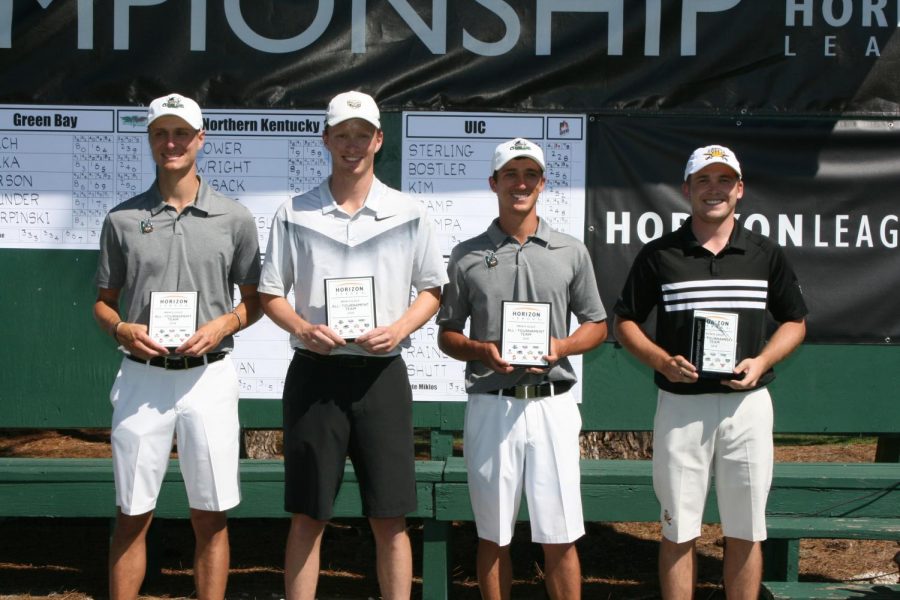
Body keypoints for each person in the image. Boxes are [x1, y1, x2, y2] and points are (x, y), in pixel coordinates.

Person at [257, 91, 447, 600]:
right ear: (326, 139)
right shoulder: (294, 212)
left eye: (362, 134)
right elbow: (271, 293)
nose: (352, 145)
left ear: (379, 140)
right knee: (308, 513)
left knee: (390, 516)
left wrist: (402, 328)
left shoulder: (409, 212)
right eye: (342, 134)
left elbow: (432, 290)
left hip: (381, 375)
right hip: (315, 373)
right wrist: (301, 329)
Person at [613, 145, 808, 599]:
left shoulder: (765, 253)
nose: (713, 190)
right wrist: (662, 360)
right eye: (703, 180)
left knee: (746, 527)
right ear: (687, 189)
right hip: (681, 409)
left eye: (724, 180)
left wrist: (762, 360)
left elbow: (795, 322)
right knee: (679, 527)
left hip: (747, 406)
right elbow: (624, 322)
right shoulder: (660, 254)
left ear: (739, 190)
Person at [93, 93, 262, 600]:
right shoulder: (122, 219)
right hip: (142, 377)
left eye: (181, 133)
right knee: (132, 513)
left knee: (210, 516)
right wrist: (123, 329)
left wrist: (224, 324)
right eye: (161, 133)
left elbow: (254, 300)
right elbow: (103, 303)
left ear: (200, 139)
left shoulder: (234, 218)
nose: (172, 143)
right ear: (150, 140)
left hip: (208, 378)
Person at [436, 138, 608, 600]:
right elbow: (447, 333)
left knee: (561, 533)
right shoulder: (466, 254)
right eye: (510, 174)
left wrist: (563, 345)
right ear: (493, 183)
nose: (521, 183)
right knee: (493, 535)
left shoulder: (570, 250)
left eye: (530, 174)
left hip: (552, 406)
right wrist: (480, 349)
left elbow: (597, 325)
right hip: (492, 405)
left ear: (543, 182)